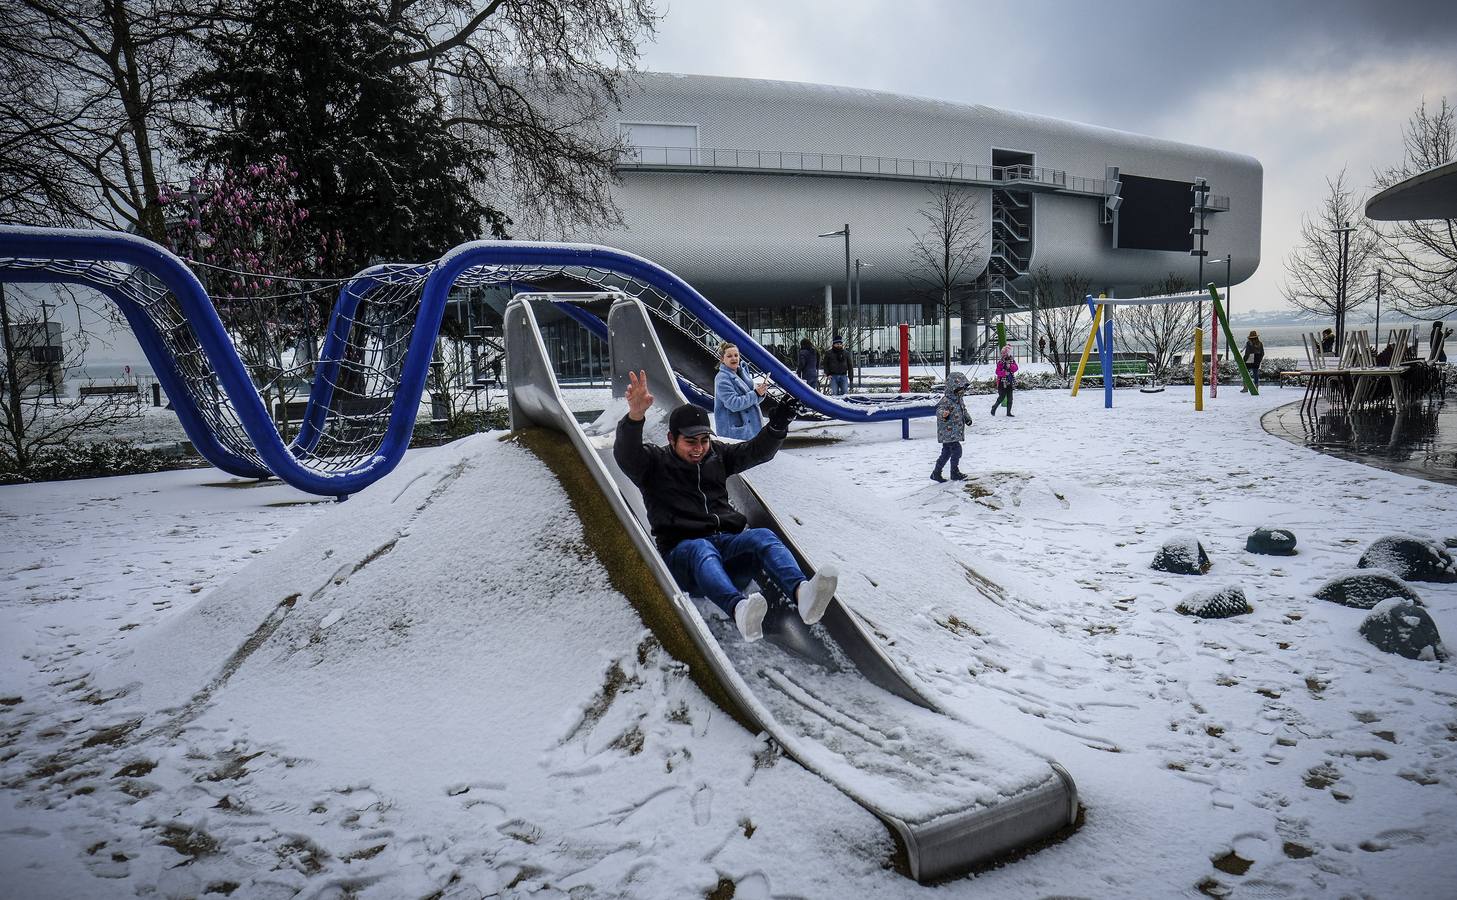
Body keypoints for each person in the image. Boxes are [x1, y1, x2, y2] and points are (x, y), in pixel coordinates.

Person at [614, 372, 837, 643]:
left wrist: (778, 425)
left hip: (726, 547)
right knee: (701, 548)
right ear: (672, 439)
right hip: (683, 557)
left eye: (704, 441)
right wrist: (635, 416)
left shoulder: (717, 455)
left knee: (763, 537)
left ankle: (802, 594)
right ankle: (738, 609)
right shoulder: (654, 463)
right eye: (691, 442)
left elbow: (757, 452)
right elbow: (626, 455)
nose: (699, 449)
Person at [713, 342, 765, 439]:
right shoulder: (722, 378)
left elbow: (752, 401)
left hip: (751, 430)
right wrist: (755, 394)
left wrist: (759, 394)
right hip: (735, 434)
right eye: (729, 356)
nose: (734, 358)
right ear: (722, 359)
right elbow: (733, 404)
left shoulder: (741, 374)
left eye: (736, 355)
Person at [932, 371, 971, 483]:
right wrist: (943, 414)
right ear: (953, 387)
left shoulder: (959, 399)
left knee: (946, 453)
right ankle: (954, 472)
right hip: (947, 431)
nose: (963, 391)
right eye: (960, 388)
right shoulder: (946, 400)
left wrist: (967, 418)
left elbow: (963, 410)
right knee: (957, 450)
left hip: (954, 431)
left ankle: (936, 472)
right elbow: (939, 411)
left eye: (964, 388)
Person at [990, 345, 1018, 416]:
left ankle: (1008, 412)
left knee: (1010, 398)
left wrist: (1010, 366)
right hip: (1002, 382)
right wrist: (1004, 373)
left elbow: (1016, 368)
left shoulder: (1012, 361)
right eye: (1002, 353)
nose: (1003, 355)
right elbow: (997, 372)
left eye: (1005, 353)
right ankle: (994, 407)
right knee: (1002, 396)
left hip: (1010, 381)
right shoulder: (1000, 362)